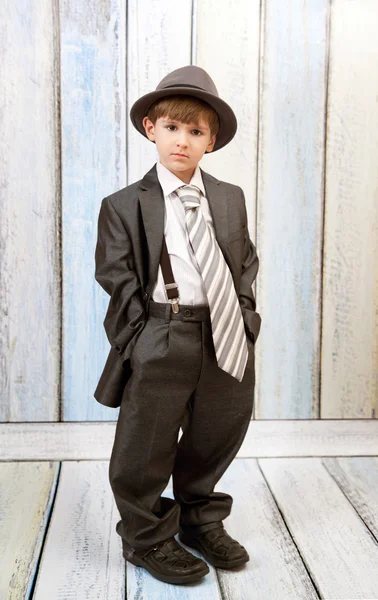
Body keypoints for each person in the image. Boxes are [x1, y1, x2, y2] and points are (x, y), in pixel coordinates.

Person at [94, 65, 262, 585]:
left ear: (211, 140)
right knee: (146, 441)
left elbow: (243, 262)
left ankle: (199, 517)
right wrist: (140, 338)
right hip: (162, 332)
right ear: (150, 128)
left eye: (195, 131)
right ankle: (146, 536)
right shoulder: (124, 204)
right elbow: (116, 275)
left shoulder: (229, 197)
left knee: (219, 429)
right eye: (172, 128)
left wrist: (246, 319)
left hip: (225, 331)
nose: (182, 141)